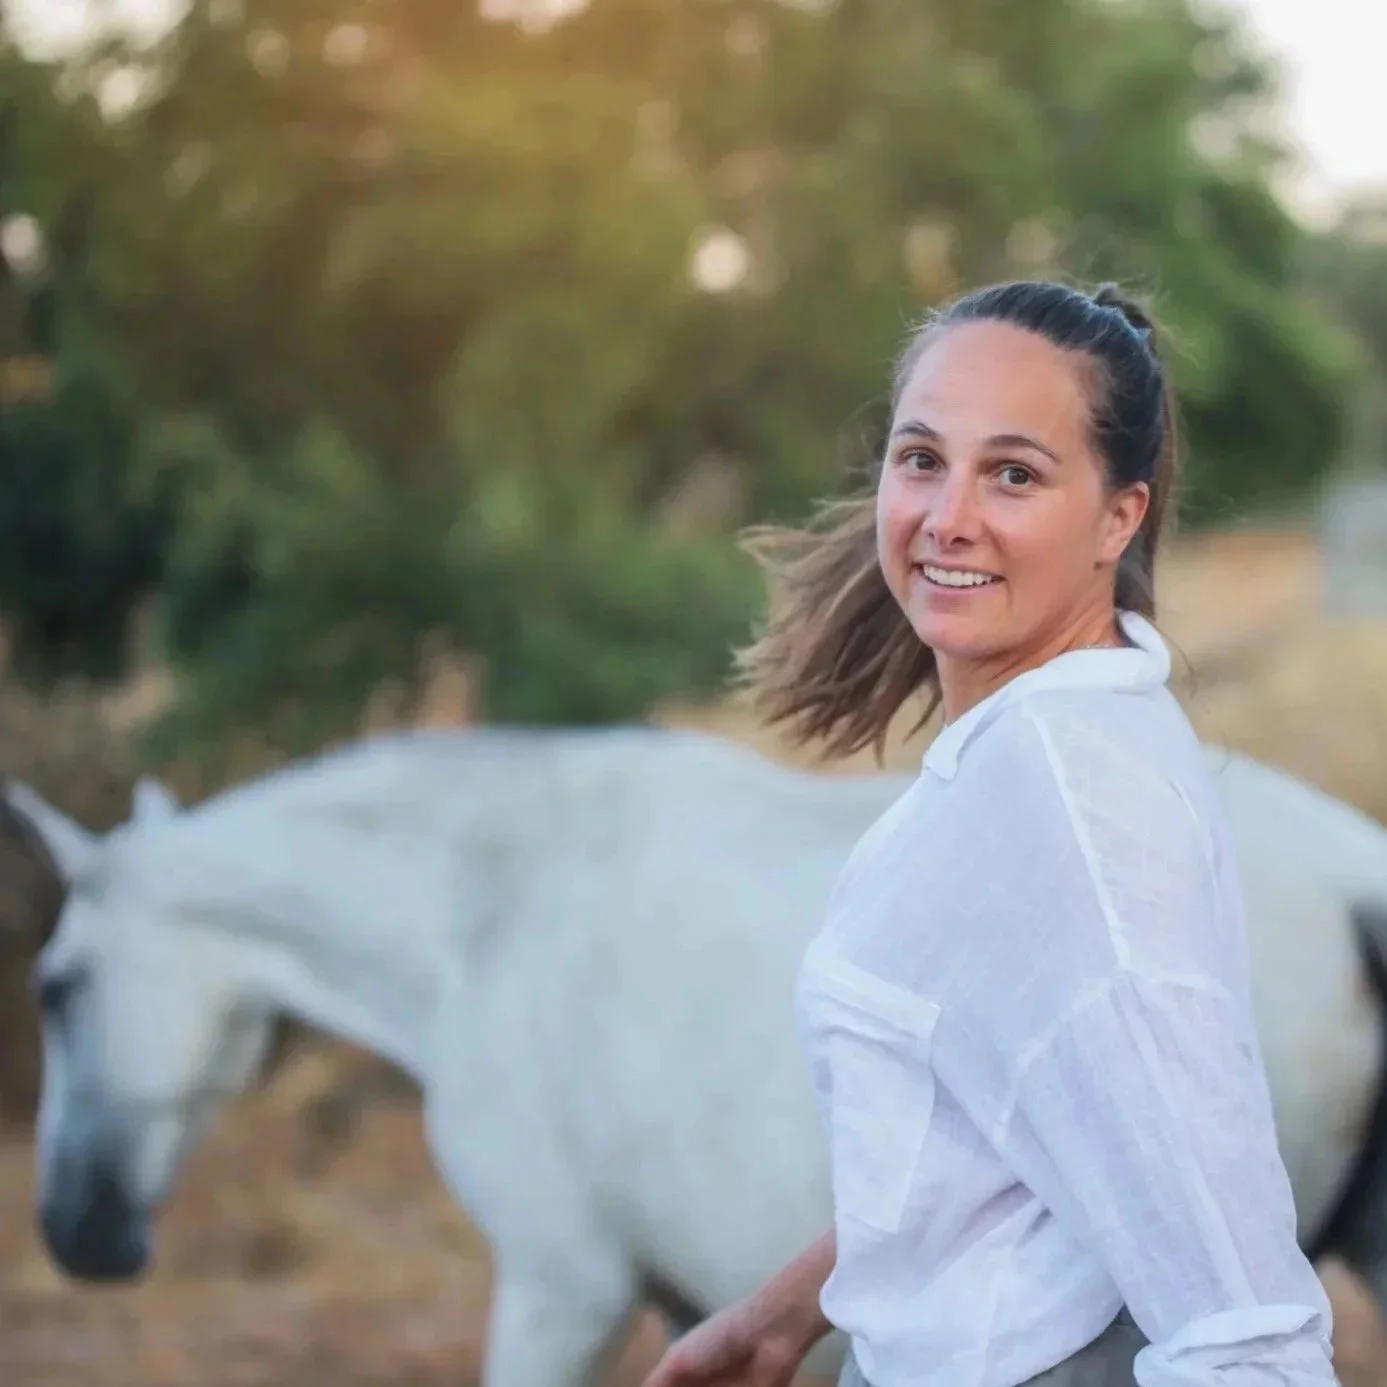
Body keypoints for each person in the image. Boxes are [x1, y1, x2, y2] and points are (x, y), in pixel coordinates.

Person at [640, 279, 1339, 1387]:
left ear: (1122, 515)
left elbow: (1245, 1324)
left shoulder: (1067, 806)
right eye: (922, 458)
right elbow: (1000, 1137)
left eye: (1012, 472)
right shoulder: (1048, 739)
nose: (947, 514)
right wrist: (783, 1313)